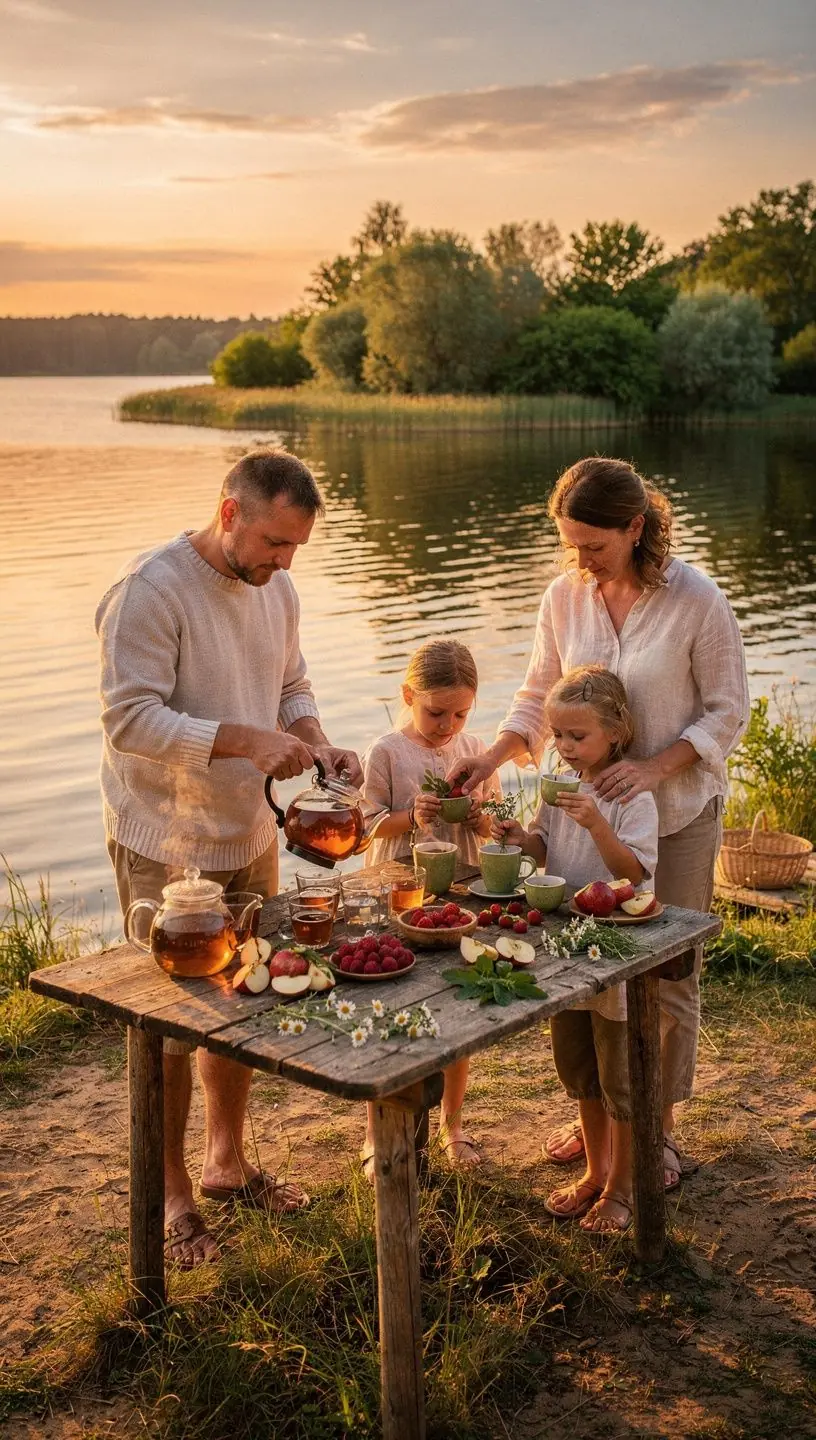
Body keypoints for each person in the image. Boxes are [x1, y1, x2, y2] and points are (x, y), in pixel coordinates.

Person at [450, 457, 750, 1188]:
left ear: (636, 528)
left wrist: (653, 767)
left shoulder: (697, 601)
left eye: (595, 546)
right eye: (571, 545)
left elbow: (728, 711)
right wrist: (490, 759)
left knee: (664, 976)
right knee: (588, 971)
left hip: (673, 816)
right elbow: (536, 696)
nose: (580, 560)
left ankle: (657, 1131)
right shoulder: (565, 596)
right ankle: (610, 1119)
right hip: (584, 830)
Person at [96, 448, 362, 1269]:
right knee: (177, 1025)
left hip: (248, 832)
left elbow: (292, 684)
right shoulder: (151, 590)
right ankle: (173, 1193)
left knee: (240, 998)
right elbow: (128, 720)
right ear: (229, 513)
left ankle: (225, 1163)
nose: (285, 563)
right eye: (275, 543)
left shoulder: (274, 588)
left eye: (296, 549)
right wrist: (242, 739)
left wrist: (314, 740)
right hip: (167, 842)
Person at [492, 665, 658, 1233]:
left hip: (613, 949)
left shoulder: (629, 795)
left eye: (576, 736)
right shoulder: (558, 783)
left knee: (619, 1075)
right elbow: (543, 848)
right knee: (580, 1070)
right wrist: (521, 841)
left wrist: (597, 827)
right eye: (557, 735)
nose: (563, 747)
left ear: (615, 733)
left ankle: (621, 1187)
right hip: (565, 949)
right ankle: (595, 1171)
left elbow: (633, 873)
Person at [360, 639, 501, 1171]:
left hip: (458, 889)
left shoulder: (477, 749)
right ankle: (377, 1132)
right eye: (436, 712)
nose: (448, 725)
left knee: (458, 1007)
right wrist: (410, 813)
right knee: (391, 1004)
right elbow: (366, 826)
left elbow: (495, 821)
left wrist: (480, 819)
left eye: (461, 713)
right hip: (398, 888)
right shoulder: (388, 752)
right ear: (408, 695)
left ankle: (453, 1125)